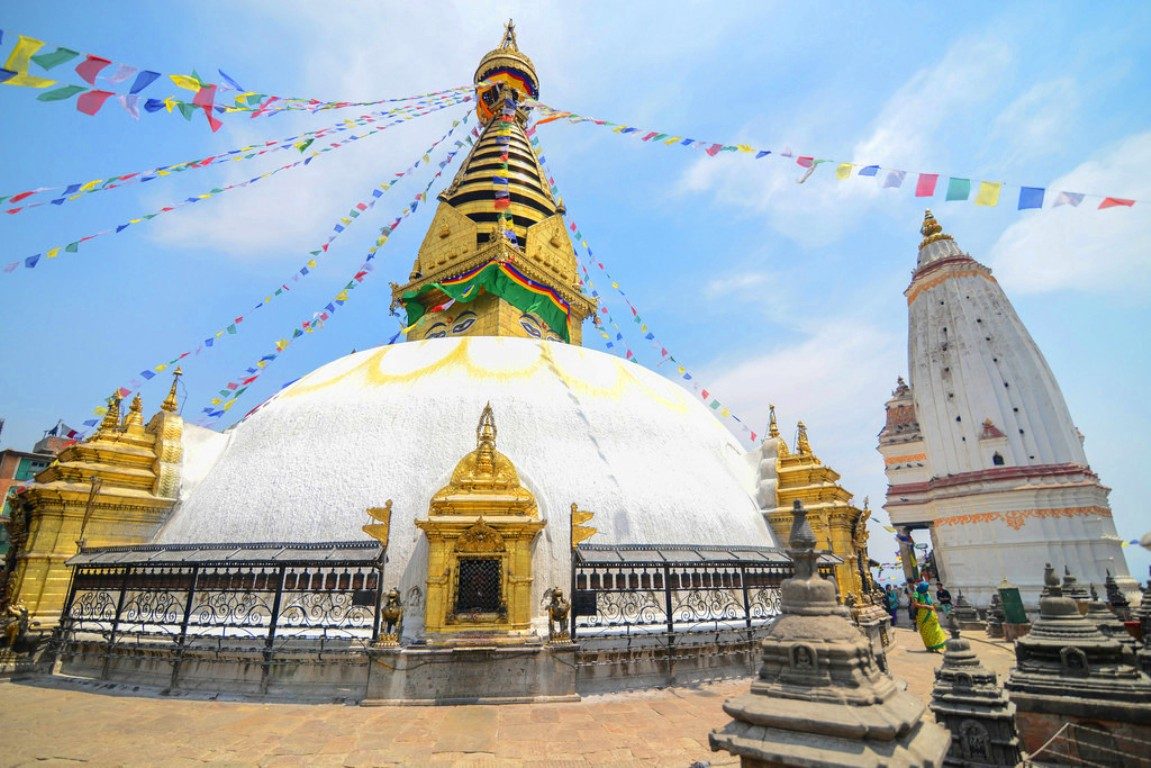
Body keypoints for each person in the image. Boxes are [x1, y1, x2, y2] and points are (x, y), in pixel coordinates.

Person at [911, 580, 948, 652]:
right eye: (926, 587)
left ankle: (938, 646)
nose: (927, 589)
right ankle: (930, 646)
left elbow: (931, 604)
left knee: (937, 630)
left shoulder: (927, 593)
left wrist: (935, 611)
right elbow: (915, 604)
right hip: (923, 615)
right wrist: (926, 606)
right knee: (927, 632)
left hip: (931, 615)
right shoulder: (916, 593)